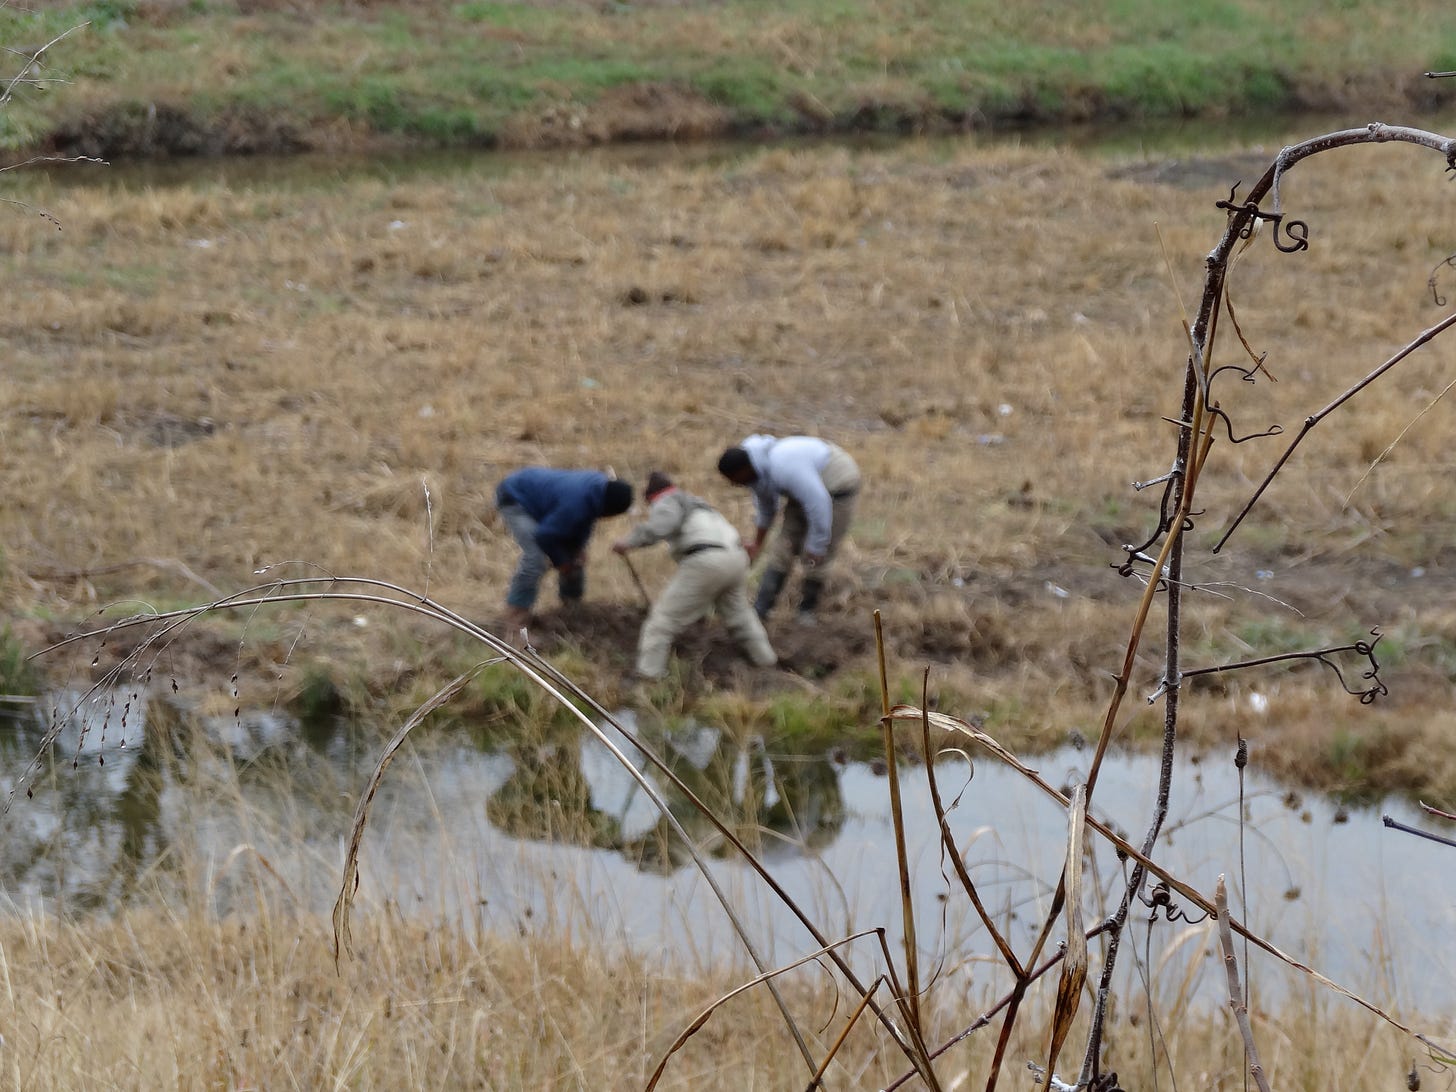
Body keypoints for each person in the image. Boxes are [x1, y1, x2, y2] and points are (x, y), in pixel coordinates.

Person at [612, 471, 777, 680]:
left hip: (707, 560)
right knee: (740, 616)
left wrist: (628, 542)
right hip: (736, 558)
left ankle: (648, 676)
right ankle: (766, 661)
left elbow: (661, 526)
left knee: (663, 620)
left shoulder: (667, 501)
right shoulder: (699, 504)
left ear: (651, 497)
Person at [716, 434, 861, 621]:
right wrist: (757, 543)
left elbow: (818, 503)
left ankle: (806, 610)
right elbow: (767, 509)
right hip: (805, 488)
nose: (733, 484)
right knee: (783, 548)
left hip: (837, 484)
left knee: (817, 556)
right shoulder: (755, 472)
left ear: (742, 470)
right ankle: (761, 610)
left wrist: (817, 544)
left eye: (734, 479)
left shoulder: (783, 468)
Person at [495, 466, 633, 630]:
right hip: (516, 497)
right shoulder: (576, 502)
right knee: (535, 559)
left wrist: (577, 551)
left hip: (544, 501)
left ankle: (570, 613)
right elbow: (545, 536)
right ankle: (515, 623)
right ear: (608, 509)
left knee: (576, 557)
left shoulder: (597, 491)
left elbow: (583, 522)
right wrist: (561, 562)